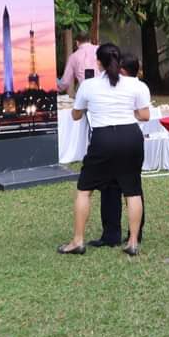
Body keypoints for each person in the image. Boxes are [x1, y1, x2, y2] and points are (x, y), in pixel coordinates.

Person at [57, 43, 151, 256]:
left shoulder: (89, 86)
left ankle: (77, 241)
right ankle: (133, 242)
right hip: (131, 136)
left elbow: (76, 115)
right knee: (133, 189)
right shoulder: (137, 86)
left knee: (84, 190)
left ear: (98, 62)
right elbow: (144, 114)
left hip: (103, 138)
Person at [88, 53, 148, 248]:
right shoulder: (131, 86)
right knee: (122, 187)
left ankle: (120, 234)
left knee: (125, 188)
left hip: (116, 137)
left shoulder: (129, 85)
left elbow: (144, 114)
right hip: (129, 139)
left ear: (121, 70)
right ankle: (124, 235)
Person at [58, 30, 98, 96]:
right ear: (90, 40)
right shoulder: (100, 49)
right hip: (105, 93)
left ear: (77, 42)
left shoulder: (73, 57)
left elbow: (65, 83)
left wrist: (54, 84)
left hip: (86, 94)